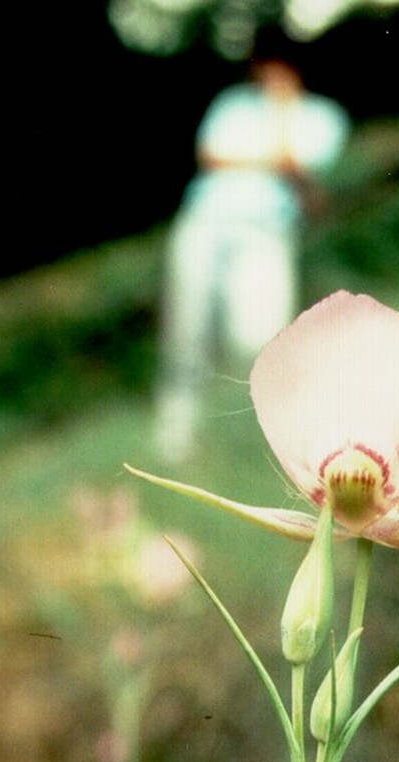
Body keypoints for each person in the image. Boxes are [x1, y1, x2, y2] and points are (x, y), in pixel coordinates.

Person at [154, 55, 350, 462]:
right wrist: (277, 162)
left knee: (259, 338)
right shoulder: (234, 104)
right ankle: (174, 441)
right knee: (187, 332)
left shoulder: (323, 117)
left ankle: (266, 438)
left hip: (266, 234)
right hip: (206, 224)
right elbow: (212, 156)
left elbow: (303, 171)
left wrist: (277, 132)